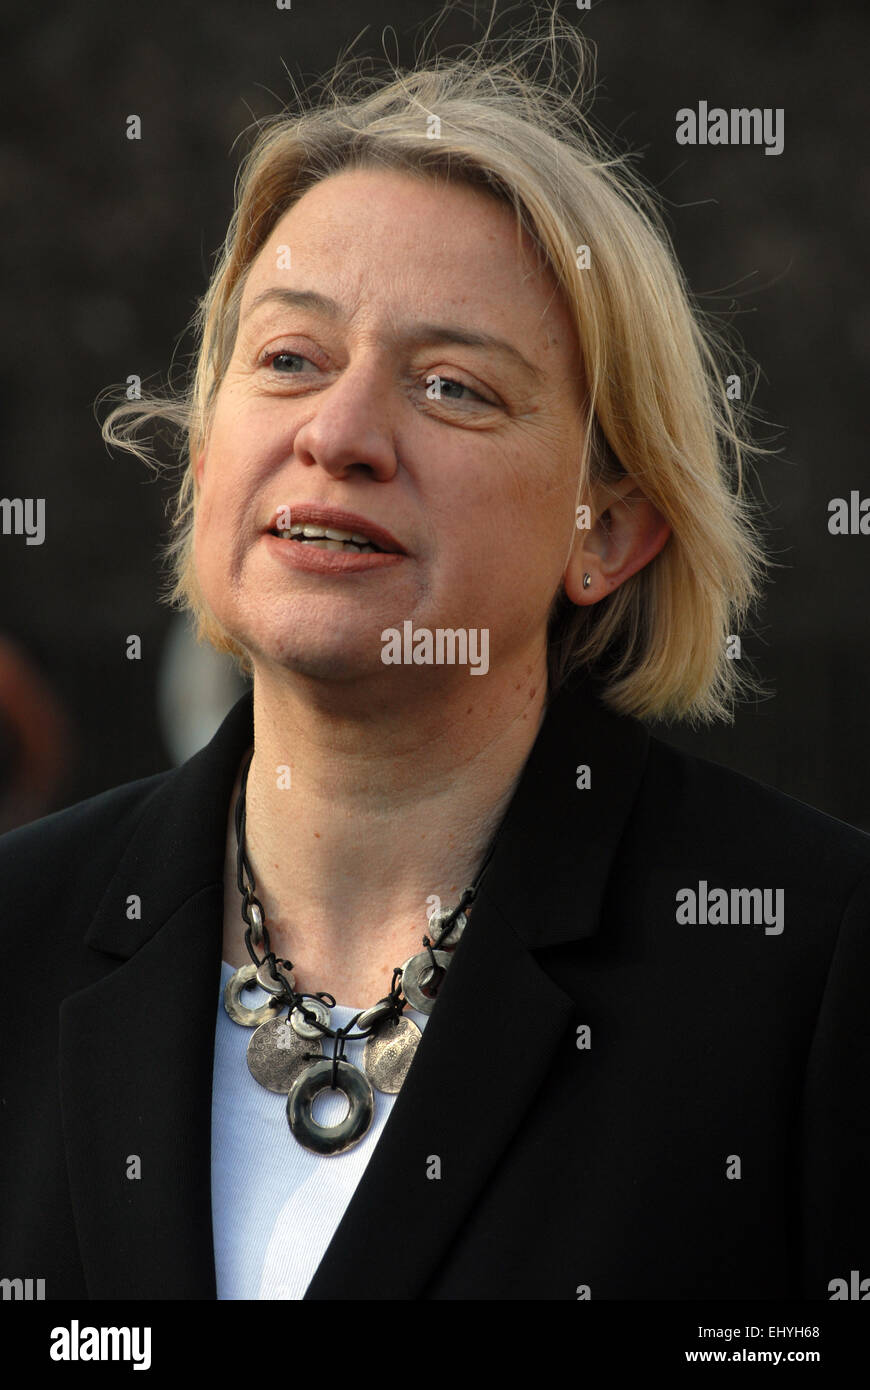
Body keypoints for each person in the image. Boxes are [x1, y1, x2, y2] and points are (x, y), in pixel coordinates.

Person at [1, 15, 868, 1302]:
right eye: (289, 358)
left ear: (610, 530)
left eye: (454, 386)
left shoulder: (810, 962)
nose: (340, 433)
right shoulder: (18, 932)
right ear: (203, 453)